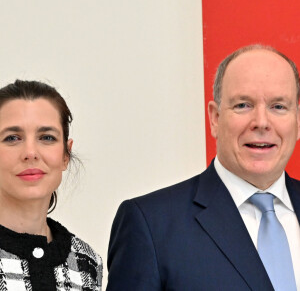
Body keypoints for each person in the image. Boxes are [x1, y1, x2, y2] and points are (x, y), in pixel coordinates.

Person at [107, 44, 300, 290]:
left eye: (278, 106)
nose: (261, 122)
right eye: (243, 105)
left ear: (297, 120)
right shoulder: (150, 224)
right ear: (215, 118)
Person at [0, 80, 102, 290]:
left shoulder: (88, 262)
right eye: (12, 138)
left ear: (66, 154)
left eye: (47, 137)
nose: (30, 153)